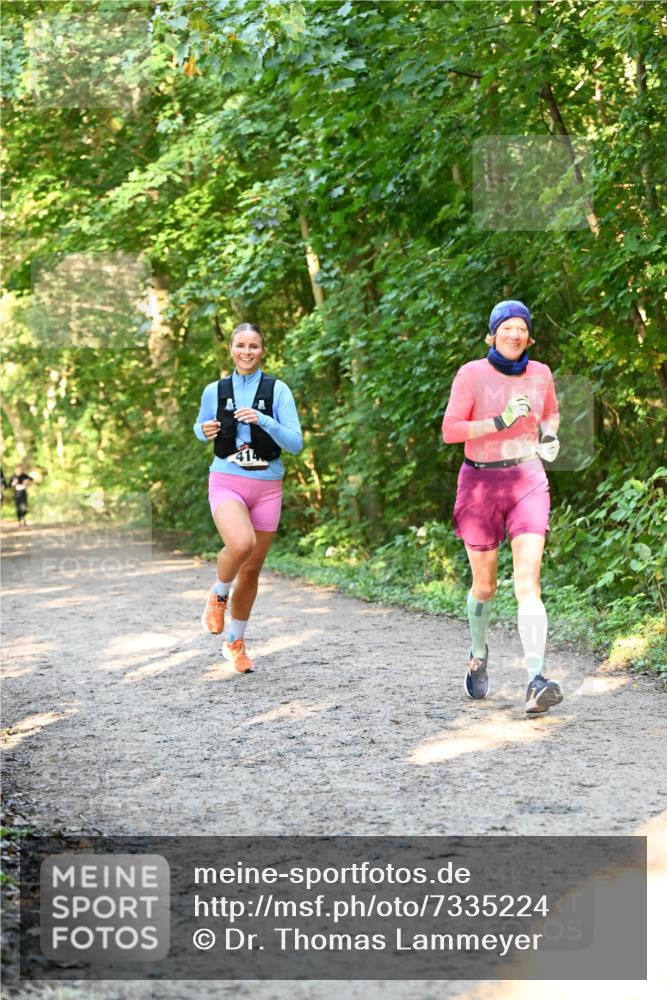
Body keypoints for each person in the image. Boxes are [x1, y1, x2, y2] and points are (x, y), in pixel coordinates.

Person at [442, 300, 563, 714]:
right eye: (506, 328)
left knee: (528, 585)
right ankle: (478, 653)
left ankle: (535, 679)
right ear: (492, 335)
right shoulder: (471, 374)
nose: (515, 335)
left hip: (527, 479)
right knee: (486, 587)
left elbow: (551, 414)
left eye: (522, 328)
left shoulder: (541, 373)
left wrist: (549, 436)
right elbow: (451, 430)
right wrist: (500, 420)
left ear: (530, 335)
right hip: (479, 483)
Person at [193, 322, 303, 673]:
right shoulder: (216, 389)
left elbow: (295, 443)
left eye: (253, 346)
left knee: (253, 569)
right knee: (241, 544)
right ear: (231, 348)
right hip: (227, 479)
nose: (246, 352)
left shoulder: (278, 390)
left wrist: (263, 420)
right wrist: (204, 430)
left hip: (267, 485)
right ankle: (218, 594)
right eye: (240, 345)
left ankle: (235, 643)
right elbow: (200, 427)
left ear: (262, 350)